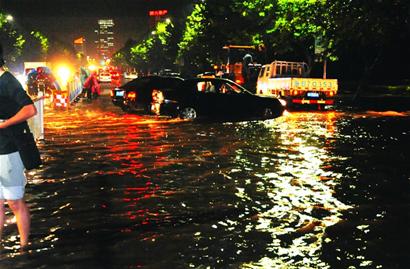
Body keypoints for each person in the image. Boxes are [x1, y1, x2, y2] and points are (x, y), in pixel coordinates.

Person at [0, 46, 37, 248]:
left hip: (9, 150)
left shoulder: (7, 80)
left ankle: (24, 248)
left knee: (14, 202)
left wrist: (3, 124)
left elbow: (30, 109)